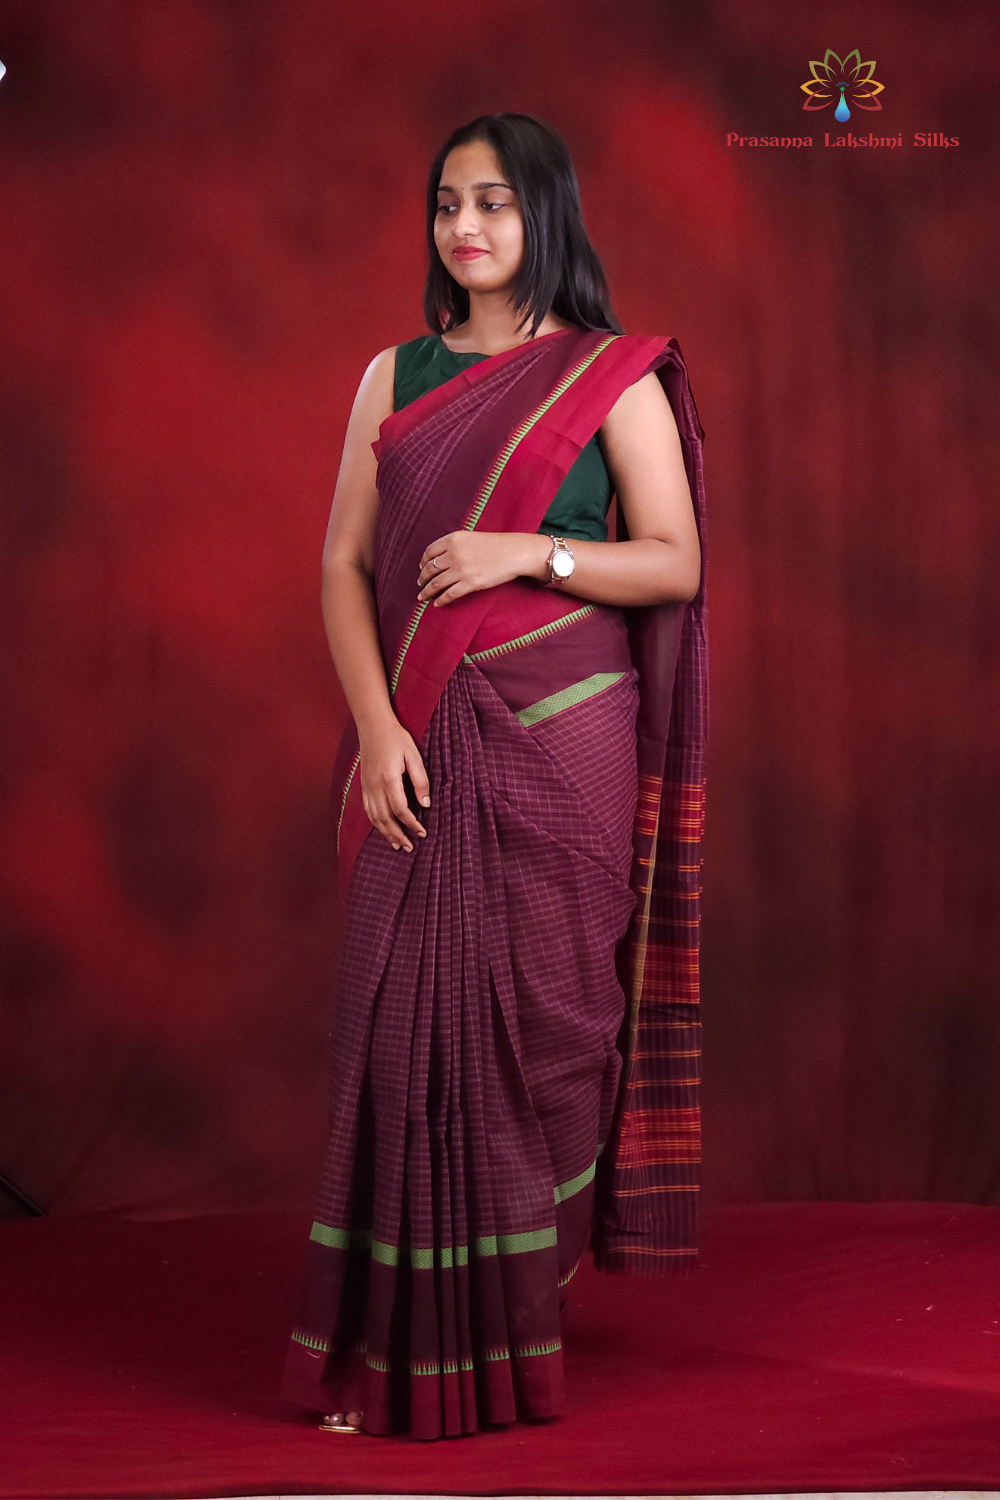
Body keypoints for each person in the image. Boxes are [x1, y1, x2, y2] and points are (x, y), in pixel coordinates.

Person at [282, 112, 708, 1441]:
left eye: (495, 203)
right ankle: (396, 1342)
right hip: (410, 735)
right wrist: (377, 728)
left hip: (561, 738)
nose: (465, 226)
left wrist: (531, 556)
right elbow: (343, 565)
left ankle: (513, 1315)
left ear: (547, 215)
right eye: (447, 203)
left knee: (543, 1030)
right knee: (397, 1036)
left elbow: (674, 561)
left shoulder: (609, 375)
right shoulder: (394, 375)